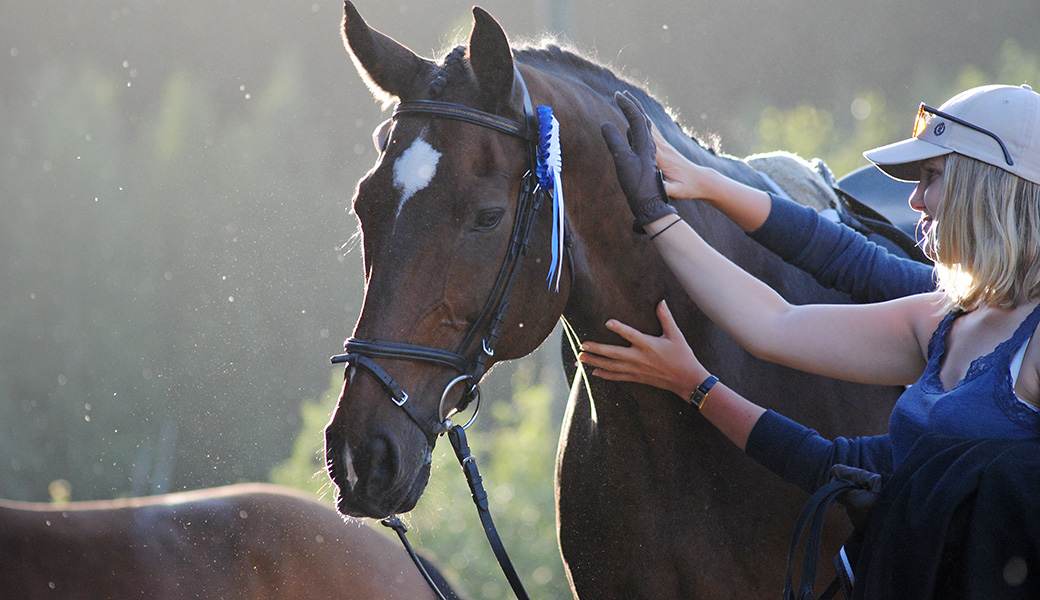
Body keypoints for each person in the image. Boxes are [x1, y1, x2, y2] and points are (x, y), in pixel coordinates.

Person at [580, 85, 1040, 596]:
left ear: (992, 188)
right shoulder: (943, 320)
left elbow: (844, 267)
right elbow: (772, 325)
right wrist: (658, 214)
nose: (913, 200)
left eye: (932, 178)